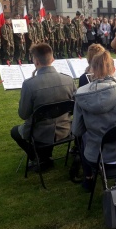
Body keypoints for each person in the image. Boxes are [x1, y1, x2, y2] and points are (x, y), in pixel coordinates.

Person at [72, 51, 116, 191]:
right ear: (113, 69)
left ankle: (89, 178)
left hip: (95, 157)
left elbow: (77, 131)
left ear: (92, 69)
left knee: (84, 138)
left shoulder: (80, 95)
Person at [10, 43, 76, 171]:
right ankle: (44, 157)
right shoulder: (68, 80)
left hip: (40, 133)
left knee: (14, 131)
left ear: (35, 61)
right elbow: (75, 107)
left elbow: (23, 114)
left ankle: (40, 159)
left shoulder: (29, 84)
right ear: (52, 60)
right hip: (66, 129)